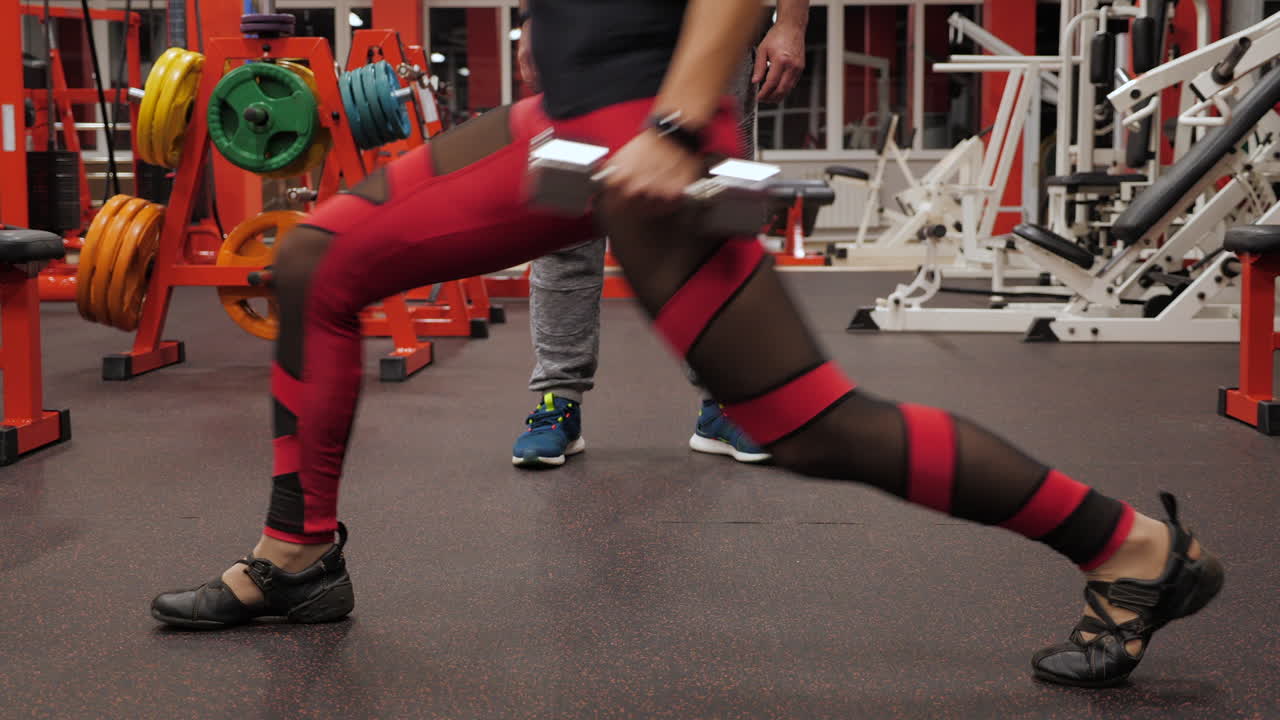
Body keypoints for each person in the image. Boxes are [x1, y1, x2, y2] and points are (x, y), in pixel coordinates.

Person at [151, 0, 1222, 689]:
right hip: (564, 117)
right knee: (319, 260)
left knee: (802, 423)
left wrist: (671, 127)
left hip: (640, 123)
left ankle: (1132, 551)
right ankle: (298, 555)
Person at [509, 2, 809, 468]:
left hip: (716, 27)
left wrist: (791, 21)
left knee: (721, 221)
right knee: (565, 214)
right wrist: (531, 19)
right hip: (581, 29)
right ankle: (556, 400)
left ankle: (725, 400)